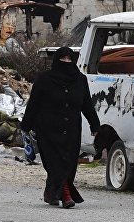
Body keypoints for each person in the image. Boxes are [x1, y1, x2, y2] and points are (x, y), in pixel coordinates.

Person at [20, 47, 100, 208]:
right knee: (55, 163)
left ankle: (51, 193)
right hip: (48, 129)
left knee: (68, 164)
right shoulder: (44, 79)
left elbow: (86, 104)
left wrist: (95, 124)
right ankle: (66, 196)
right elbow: (34, 104)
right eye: (63, 59)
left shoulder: (80, 80)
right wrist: (26, 125)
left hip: (71, 129)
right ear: (56, 60)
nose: (66, 62)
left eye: (69, 59)